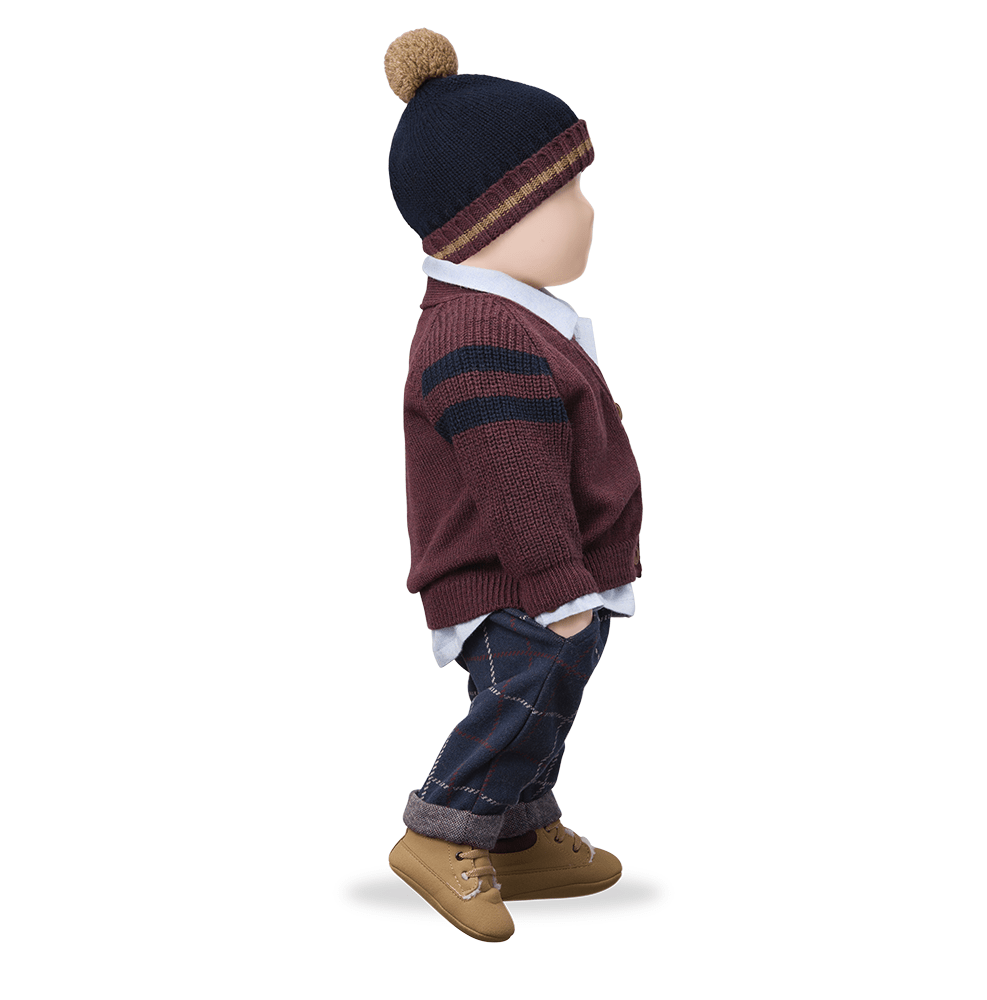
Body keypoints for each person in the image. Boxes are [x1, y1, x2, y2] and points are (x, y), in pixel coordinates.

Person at [383, 28, 643, 943]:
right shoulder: (479, 334)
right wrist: (558, 587)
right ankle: (441, 826)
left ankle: (519, 833)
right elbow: (515, 477)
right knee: (520, 697)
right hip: (513, 577)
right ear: (493, 216)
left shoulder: (515, 317)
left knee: (549, 697)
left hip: (552, 573)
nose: (587, 212)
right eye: (565, 193)